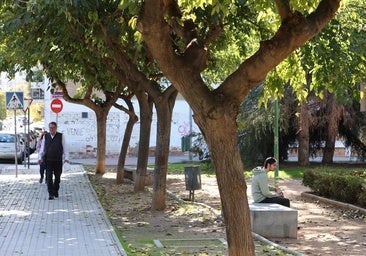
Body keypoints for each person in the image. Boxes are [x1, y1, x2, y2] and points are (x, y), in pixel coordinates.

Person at [38, 122, 69, 200]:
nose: (51, 129)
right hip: (48, 160)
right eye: (50, 128)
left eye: (53, 127)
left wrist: (66, 158)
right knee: (49, 177)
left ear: (56, 128)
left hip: (58, 160)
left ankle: (56, 190)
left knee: (57, 177)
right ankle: (50, 193)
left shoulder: (61, 136)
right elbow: (42, 148)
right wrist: (39, 158)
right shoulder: (46, 136)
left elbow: (65, 147)